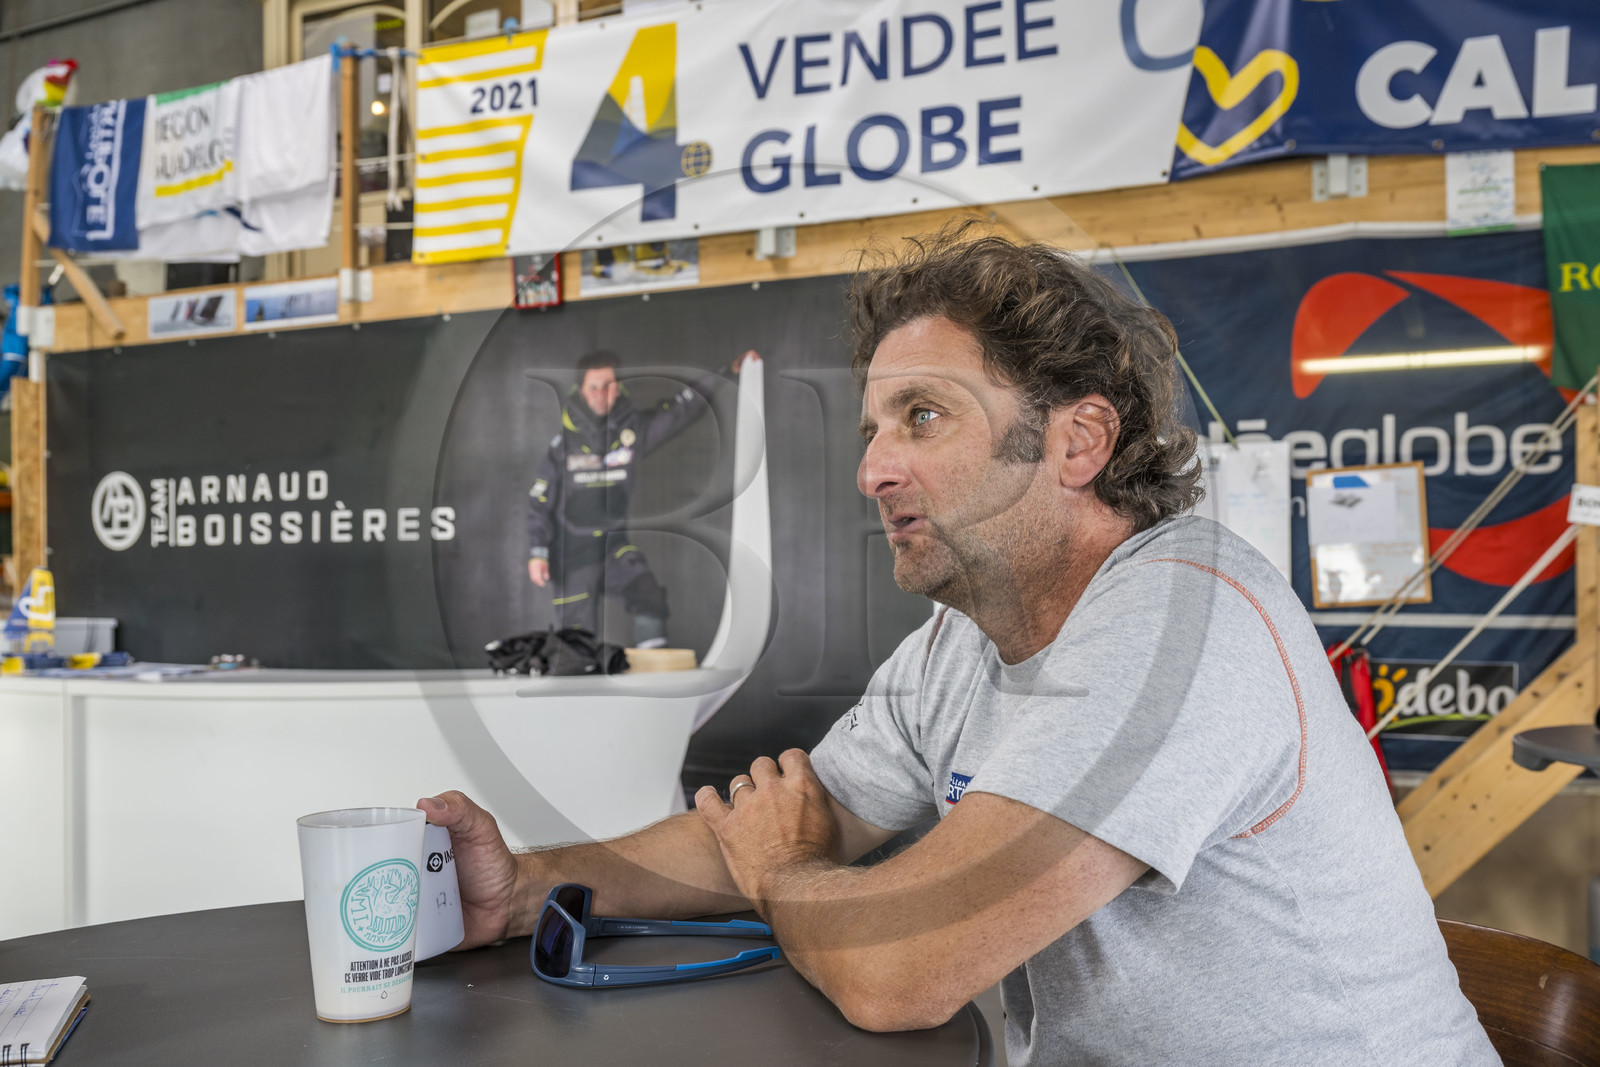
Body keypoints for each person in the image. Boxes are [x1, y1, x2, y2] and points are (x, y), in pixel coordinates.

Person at [433, 230, 1496, 1065]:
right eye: (872, 430)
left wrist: (786, 868)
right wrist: (524, 887)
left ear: (1076, 441)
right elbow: (759, 835)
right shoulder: (958, 639)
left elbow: (898, 964)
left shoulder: (1185, 623)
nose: (874, 470)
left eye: (923, 417)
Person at [527, 348, 758, 648]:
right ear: (580, 390)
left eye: (608, 385)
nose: (601, 394)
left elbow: (682, 410)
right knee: (576, 644)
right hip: (570, 556)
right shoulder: (562, 444)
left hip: (613, 548)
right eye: (593, 386)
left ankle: (653, 689)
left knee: (650, 598)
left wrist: (725, 369)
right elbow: (539, 501)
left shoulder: (633, 430)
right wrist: (537, 553)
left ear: (619, 387)